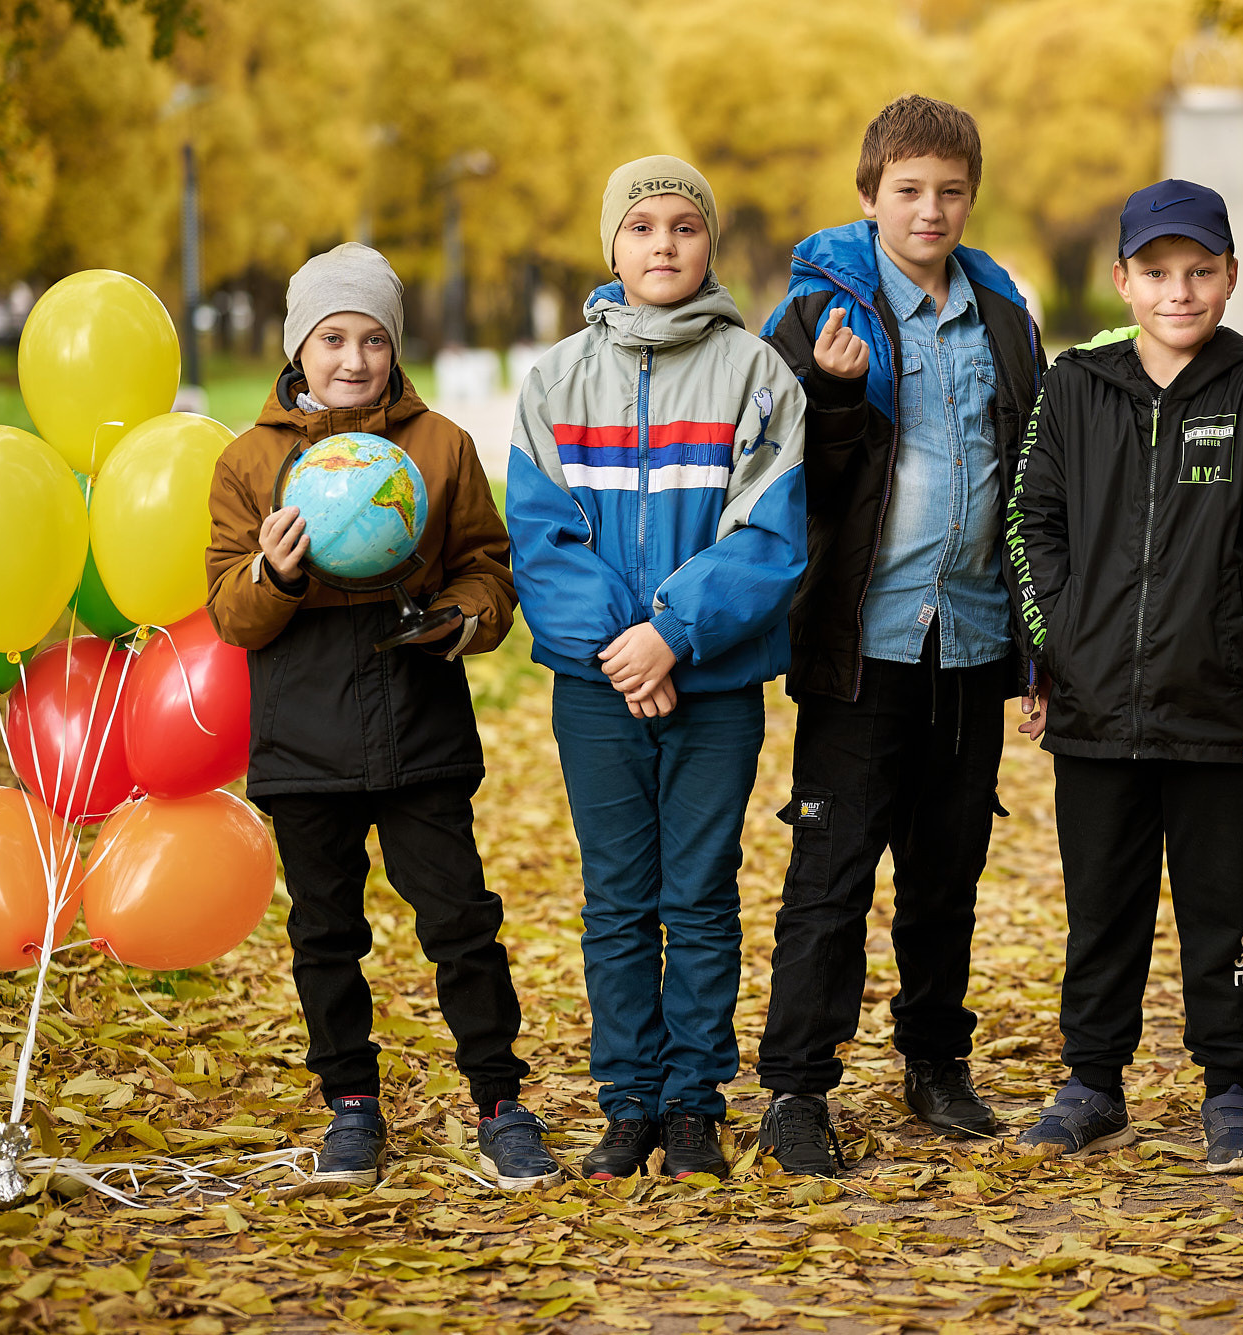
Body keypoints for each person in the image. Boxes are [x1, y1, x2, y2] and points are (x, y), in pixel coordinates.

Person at [205, 242, 558, 1192]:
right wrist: (273, 575)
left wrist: (470, 617)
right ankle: (351, 1108)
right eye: (332, 338)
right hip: (301, 733)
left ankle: (499, 1099)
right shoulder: (249, 462)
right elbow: (229, 613)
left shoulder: (438, 445)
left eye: (371, 338)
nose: (353, 358)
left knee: (461, 921)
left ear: (395, 346)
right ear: (299, 348)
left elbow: (489, 566)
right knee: (326, 932)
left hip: (419, 725)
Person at [753, 94, 1045, 1177]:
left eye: (950, 192)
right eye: (908, 190)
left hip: (968, 642)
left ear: (970, 198)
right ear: (870, 195)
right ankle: (795, 1089)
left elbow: (1030, 484)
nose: (930, 209)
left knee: (945, 873)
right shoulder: (814, 318)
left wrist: (1035, 647)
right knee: (829, 875)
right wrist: (830, 397)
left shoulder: (1005, 317)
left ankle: (933, 1060)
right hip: (860, 643)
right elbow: (794, 485)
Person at [505, 157, 807, 1181]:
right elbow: (541, 539)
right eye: (642, 226)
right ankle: (627, 1099)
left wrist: (673, 634)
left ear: (708, 243)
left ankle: (692, 1104)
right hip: (597, 691)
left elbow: (767, 531)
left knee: (701, 893)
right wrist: (622, 652)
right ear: (613, 246)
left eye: (685, 225)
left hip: (711, 686)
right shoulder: (555, 381)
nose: (664, 244)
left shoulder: (757, 374)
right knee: (618, 899)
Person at [1005, 180, 1243, 1171]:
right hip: (1094, 710)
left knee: (1223, 910)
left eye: (1198, 272)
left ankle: (1228, 1090)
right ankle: (1092, 1080)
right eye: (1155, 273)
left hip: (1221, 718)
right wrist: (1055, 647)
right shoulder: (1073, 386)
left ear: (1228, 277)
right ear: (1122, 281)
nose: (1176, 292)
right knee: (1100, 905)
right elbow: (1027, 524)